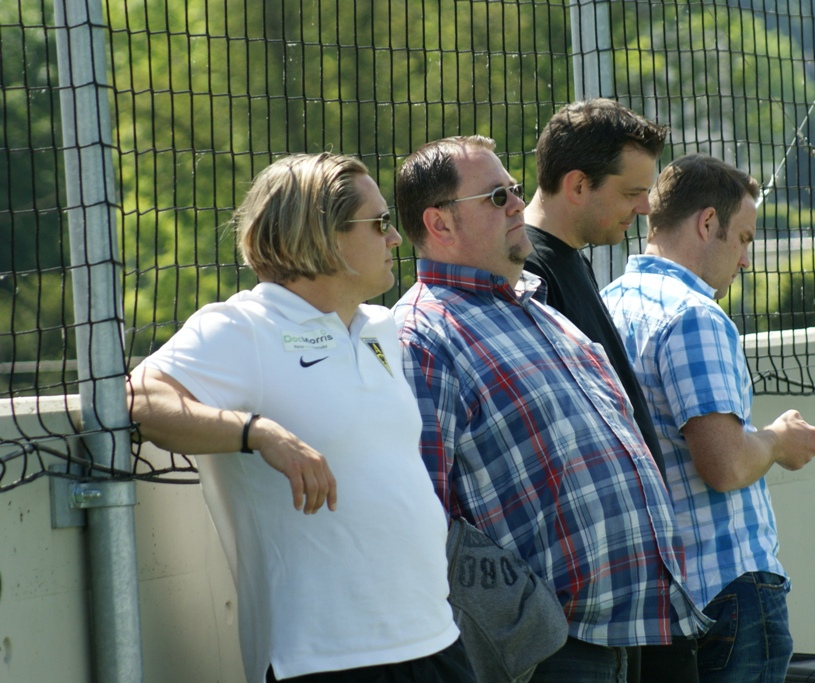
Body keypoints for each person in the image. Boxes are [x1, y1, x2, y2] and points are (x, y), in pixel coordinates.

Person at [126, 153, 472, 683]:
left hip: (436, 640)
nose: (395, 238)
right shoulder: (242, 326)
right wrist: (257, 433)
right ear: (323, 236)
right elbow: (139, 399)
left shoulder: (381, 327)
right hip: (321, 659)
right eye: (379, 222)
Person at [391, 135, 710, 683]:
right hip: (548, 653)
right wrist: (524, 622)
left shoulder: (541, 312)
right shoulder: (420, 336)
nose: (519, 203)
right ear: (439, 223)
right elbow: (421, 519)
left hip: (626, 633)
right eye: (497, 197)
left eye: (514, 189)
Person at [601, 153, 815, 683]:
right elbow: (725, 465)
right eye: (744, 239)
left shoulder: (607, 305)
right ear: (708, 223)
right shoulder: (694, 316)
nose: (746, 260)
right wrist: (777, 440)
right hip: (726, 593)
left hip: (653, 598)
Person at [522, 98, 669, 482]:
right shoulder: (528, 274)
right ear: (578, 185)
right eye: (631, 193)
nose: (645, 207)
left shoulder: (568, 257)